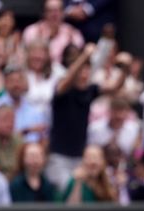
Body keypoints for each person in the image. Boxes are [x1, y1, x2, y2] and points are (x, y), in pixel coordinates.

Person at [47, 42, 127, 192]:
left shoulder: (90, 90)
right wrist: (85, 56)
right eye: (81, 70)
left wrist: (125, 68)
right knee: (66, 192)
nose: (84, 74)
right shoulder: (62, 90)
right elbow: (66, 80)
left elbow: (115, 87)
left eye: (87, 70)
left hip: (80, 156)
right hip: (59, 157)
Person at [0, 64, 49, 145]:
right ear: (5, 84)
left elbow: (44, 137)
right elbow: (0, 138)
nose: (16, 85)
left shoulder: (34, 110)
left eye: (19, 81)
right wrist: (27, 131)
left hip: (32, 150)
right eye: (12, 81)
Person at [23, 0, 85, 67]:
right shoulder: (31, 31)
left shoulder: (73, 34)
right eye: (50, 11)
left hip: (67, 71)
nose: (54, 14)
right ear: (44, 13)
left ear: (63, 12)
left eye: (57, 10)